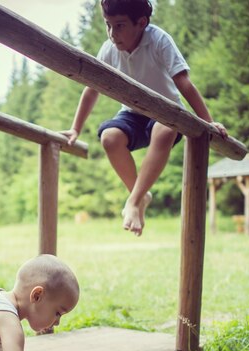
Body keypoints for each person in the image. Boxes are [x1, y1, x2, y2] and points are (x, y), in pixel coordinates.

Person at [63, 0, 228, 237]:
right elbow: (91, 89)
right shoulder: (108, 50)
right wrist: (75, 128)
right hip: (132, 113)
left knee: (166, 128)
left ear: (141, 23)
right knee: (109, 137)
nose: (112, 34)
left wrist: (208, 121)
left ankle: (133, 201)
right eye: (108, 25)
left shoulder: (159, 40)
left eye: (119, 26)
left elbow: (184, 83)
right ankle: (141, 196)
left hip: (167, 112)